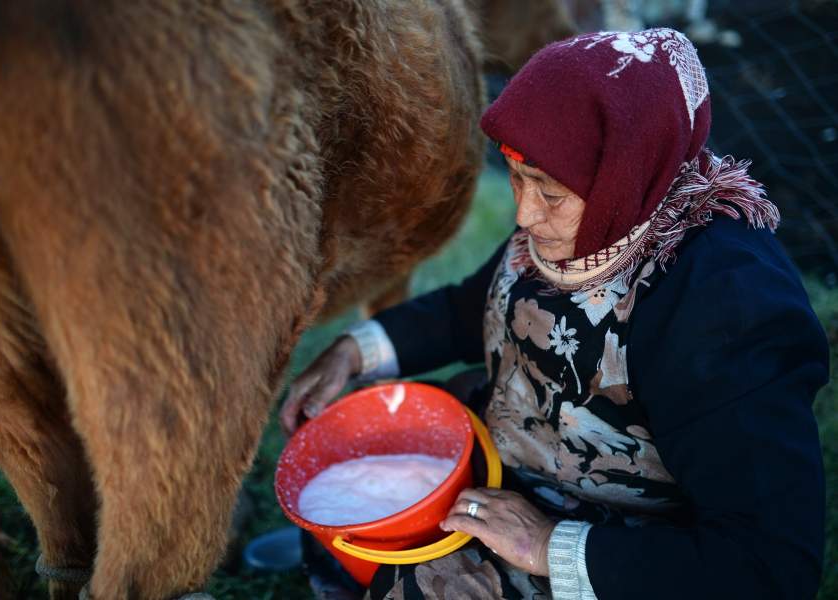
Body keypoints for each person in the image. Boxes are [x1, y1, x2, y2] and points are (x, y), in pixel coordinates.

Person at [281, 28, 829, 600]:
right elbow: (478, 306)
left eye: (548, 191)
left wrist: (548, 545)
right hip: (524, 462)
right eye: (517, 178)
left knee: (418, 584)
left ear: (625, 173)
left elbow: (769, 565)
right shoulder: (585, 227)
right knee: (364, 468)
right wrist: (359, 349)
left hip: (627, 541)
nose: (523, 215)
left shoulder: (724, 306)